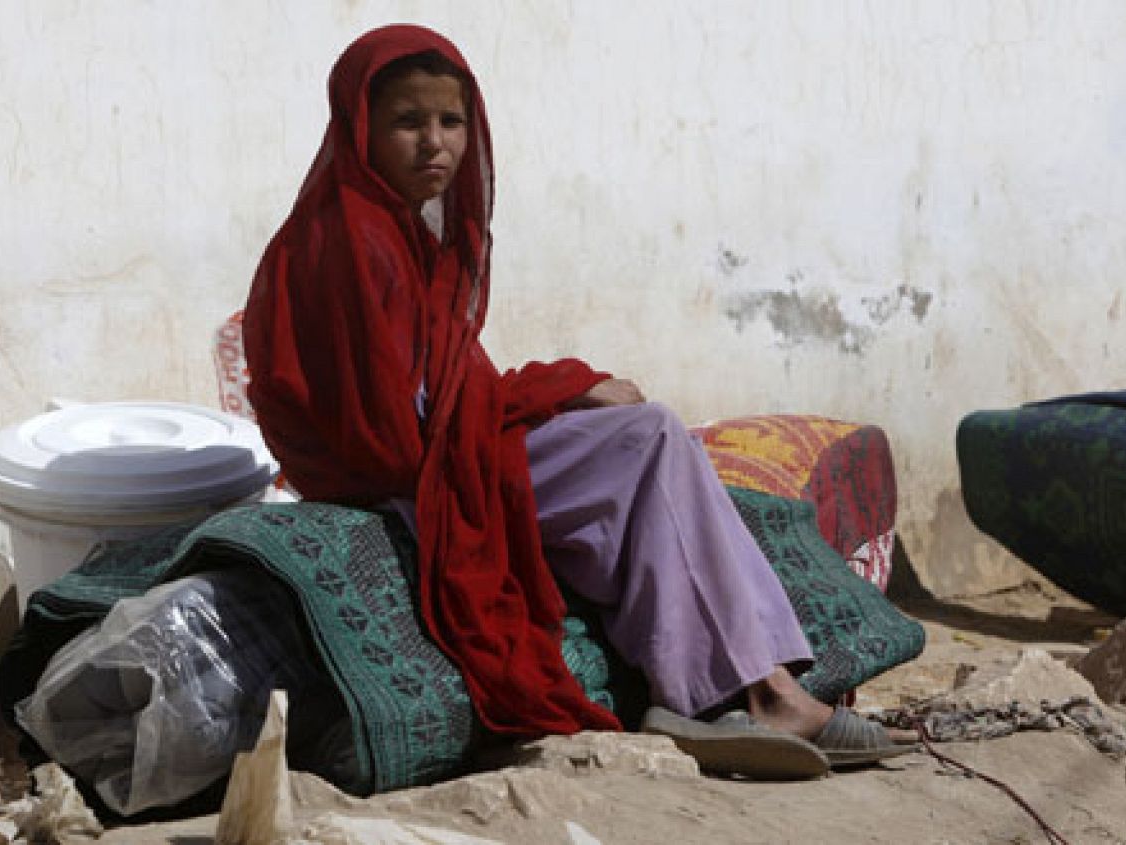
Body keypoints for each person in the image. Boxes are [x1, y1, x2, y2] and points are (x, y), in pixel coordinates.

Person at [243, 24, 905, 778]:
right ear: (361, 127)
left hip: (441, 451)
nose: (435, 144)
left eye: (451, 122)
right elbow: (397, 437)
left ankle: (766, 684)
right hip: (404, 478)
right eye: (407, 121)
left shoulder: (399, 229)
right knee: (647, 435)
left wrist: (554, 395)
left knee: (652, 439)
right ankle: (733, 693)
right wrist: (556, 390)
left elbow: (455, 390)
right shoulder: (349, 240)